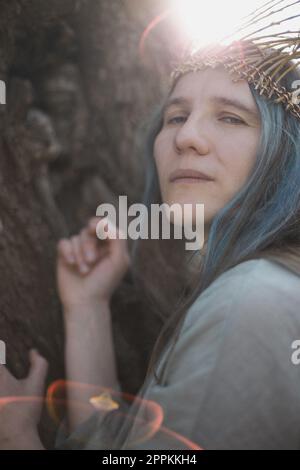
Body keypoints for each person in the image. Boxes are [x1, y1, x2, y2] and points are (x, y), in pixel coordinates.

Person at [1, 30, 300, 450]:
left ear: (287, 154)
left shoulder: (251, 301)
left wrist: (14, 437)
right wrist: (88, 307)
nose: (186, 137)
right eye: (175, 116)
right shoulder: (268, 286)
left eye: (231, 117)